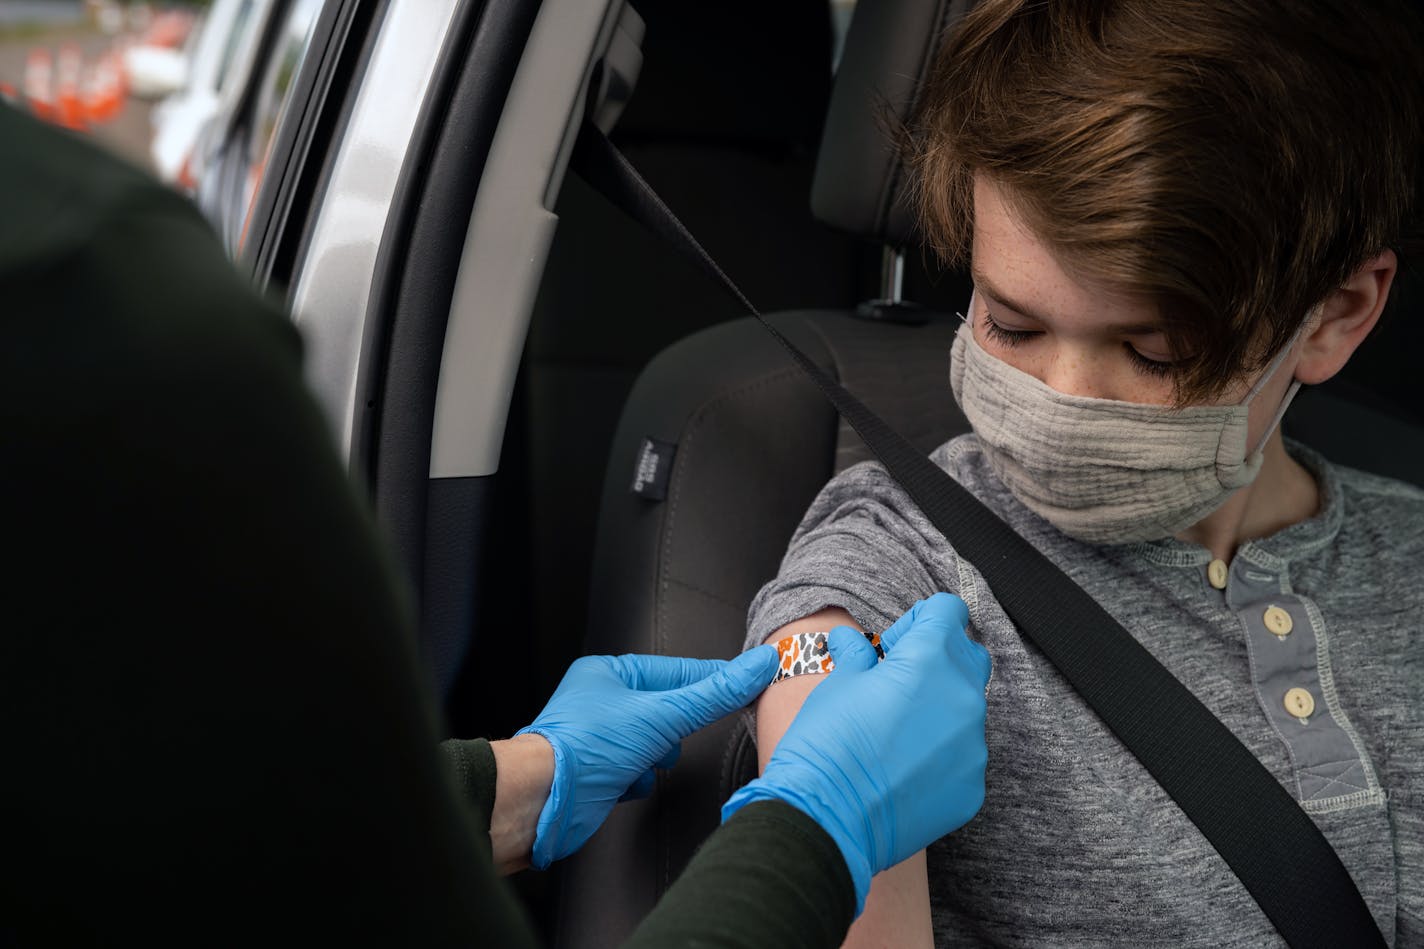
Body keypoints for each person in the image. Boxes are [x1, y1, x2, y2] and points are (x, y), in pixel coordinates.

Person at [0, 99, 993, 946]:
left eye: (1153, 350)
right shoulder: (86, 326)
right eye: (1011, 322)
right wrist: (814, 832)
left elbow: (171, 847)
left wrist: (507, 783)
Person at [750, 0, 1424, 945]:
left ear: (1336, 315)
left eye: (1156, 349)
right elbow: (812, 686)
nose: (1061, 395)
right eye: (1009, 324)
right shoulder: (897, 554)